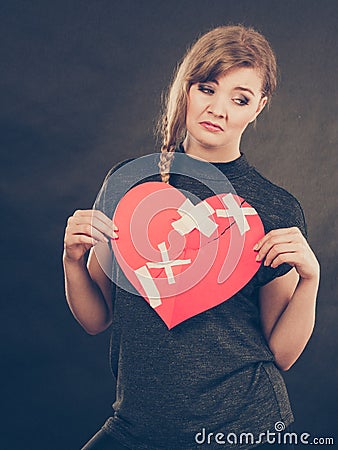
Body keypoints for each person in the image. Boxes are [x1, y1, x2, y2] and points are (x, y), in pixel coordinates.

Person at [63, 25, 320, 449]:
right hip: (134, 426)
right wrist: (72, 260)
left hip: (242, 428)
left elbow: (282, 354)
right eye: (206, 88)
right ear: (185, 88)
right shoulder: (129, 185)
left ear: (258, 107)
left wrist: (311, 280)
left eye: (239, 99)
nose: (218, 109)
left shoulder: (273, 207)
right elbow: (97, 318)